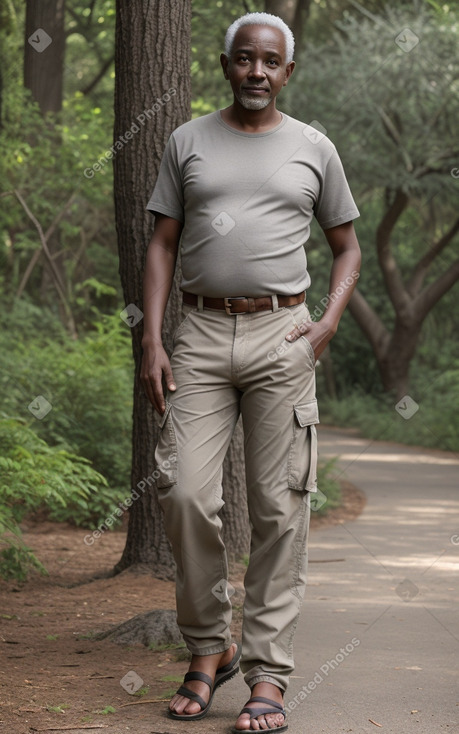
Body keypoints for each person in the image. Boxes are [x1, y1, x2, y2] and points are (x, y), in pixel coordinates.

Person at [140, 12, 361, 733]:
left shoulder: (313, 149)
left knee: (278, 510)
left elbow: (345, 247)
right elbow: (161, 244)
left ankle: (268, 675)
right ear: (227, 65)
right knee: (184, 495)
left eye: (269, 62)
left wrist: (326, 323)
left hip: (284, 333)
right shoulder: (187, 141)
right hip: (199, 334)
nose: (256, 72)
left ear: (286, 72)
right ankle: (210, 649)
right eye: (244, 60)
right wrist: (152, 341)